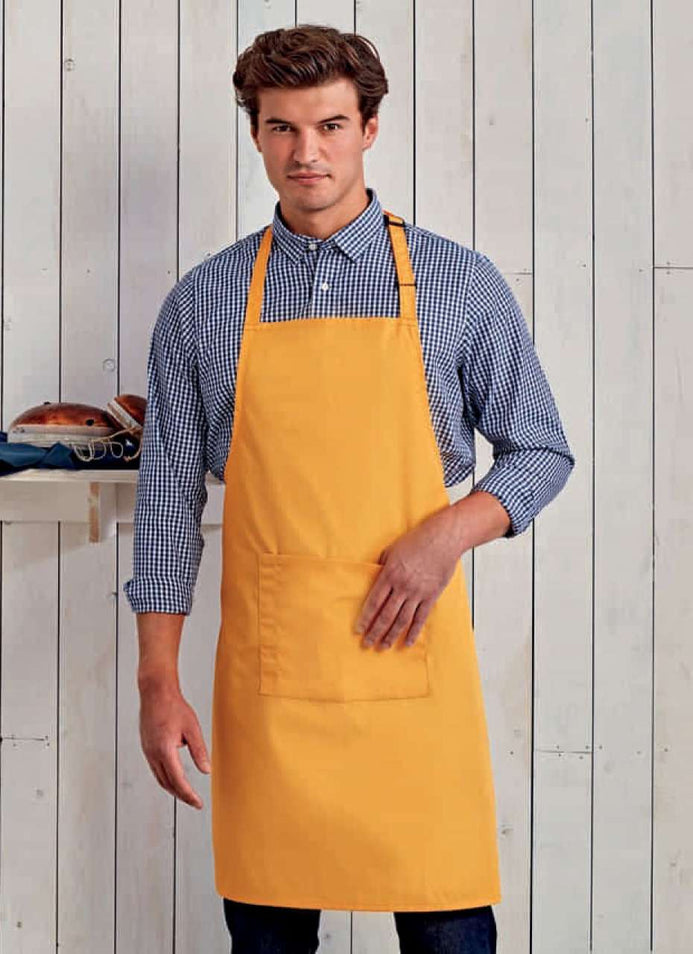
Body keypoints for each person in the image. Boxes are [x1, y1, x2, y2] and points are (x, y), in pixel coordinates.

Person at [124, 23, 575, 954]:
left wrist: (443, 535)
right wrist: (157, 681)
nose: (307, 152)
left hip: (412, 675)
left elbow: (539, 451)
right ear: (255, 134)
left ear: (369, 128)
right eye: (282, 128)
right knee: (268, 934)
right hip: (272, 688)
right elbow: (168, 504)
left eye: (329, 125)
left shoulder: (457, 283)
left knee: (448, 929)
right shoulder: (203, 303)